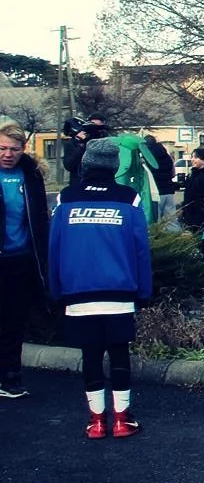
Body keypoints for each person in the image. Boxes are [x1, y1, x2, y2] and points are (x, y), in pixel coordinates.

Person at [49, 137, 153, 437]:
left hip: (78, 294)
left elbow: (54, 247)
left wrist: (56, 291)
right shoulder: (128, 198)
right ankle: (122, 420)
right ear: (115, 165)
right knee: (119, 354)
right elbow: (140, 250)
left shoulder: (66, 198)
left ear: (84, 164)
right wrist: (143, 291)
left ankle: (96, 421)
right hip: (119, 294)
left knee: (91, 355)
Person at [0, 121, 49, 399]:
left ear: (23, 149)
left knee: (14, 321)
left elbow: (40, 219)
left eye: (14, 149)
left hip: (20, 259)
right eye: (2, 148)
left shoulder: (30, 174)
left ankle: (10, 377)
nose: (8, 154)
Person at [142, 132, 177, 222]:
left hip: (156, 192)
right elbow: (173, 173)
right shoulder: (166, 155)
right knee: (171, 220)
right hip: (169, 191)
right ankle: (175, 235)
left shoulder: (147, 157)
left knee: (156, 221)